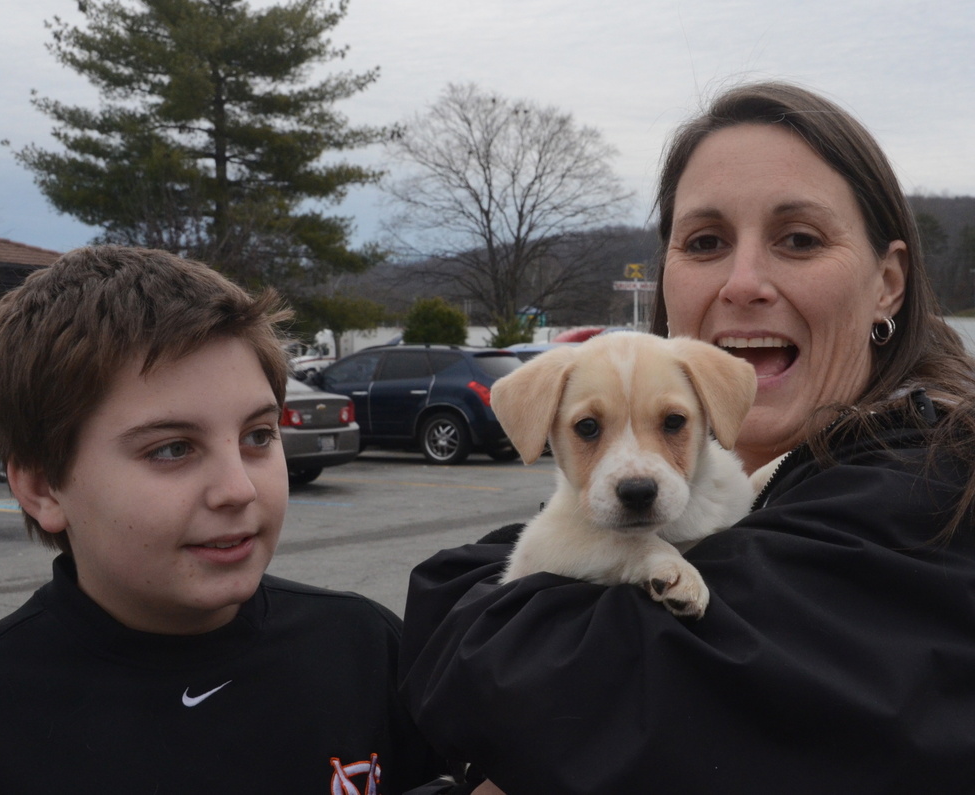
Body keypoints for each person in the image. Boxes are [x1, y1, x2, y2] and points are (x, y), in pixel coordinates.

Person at [397, 81, 975, 794]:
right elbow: (448, 588)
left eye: (799, 238)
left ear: (888, 282)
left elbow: (538, 688)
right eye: (704, 242)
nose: (743, 282)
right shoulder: (789, 481)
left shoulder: (928, 497)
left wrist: (475, 617)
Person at [0, 245, 450, 793]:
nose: (238, 489)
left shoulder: (364, 649)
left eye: (258, 437)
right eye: (171, 449)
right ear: (43, 486)